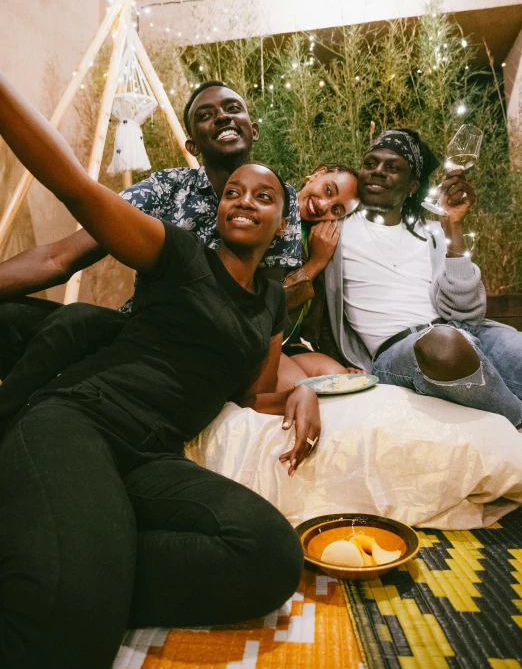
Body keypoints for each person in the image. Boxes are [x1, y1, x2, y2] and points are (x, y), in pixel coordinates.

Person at [0, 72, 318, 669]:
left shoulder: (272, 305)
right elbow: (75, 187)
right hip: (79, 421)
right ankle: (71, 571)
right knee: (64, 648)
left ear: (283, 226)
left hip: (152, 456)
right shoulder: (175, 253)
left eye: (264, 196)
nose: (244, 200)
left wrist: (300, 391)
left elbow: (251, 395)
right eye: (234, 194)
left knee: (271, 556)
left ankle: (73, 561)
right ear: (217, 204)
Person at [0, 80, 301, 379]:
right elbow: (59, 257)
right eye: (205, 115)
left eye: (233, 109)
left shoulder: (281, 202)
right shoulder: (166, 187)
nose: (222, 117)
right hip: (135, 331)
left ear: (254, 129)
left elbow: (264, 311)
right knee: (22, 319)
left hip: (206, 354)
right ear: (192, 145)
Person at [324, 128, 522, 427]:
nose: (377, 172)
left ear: (413, 185)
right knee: (442, 344)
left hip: (461, 331)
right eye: (370, 163)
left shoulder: (430, 232)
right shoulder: (334, 229)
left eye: (393, 168)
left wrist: (453, 224)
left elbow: (468, 311)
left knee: (515, 349)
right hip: (401, 351)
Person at [277, 164, 363, 389]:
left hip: (290, 344)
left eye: (336, 210)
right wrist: (316, 262)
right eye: (328, 190)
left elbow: (323, 316)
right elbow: (267, 305)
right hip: (260, 340)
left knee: (340, 379)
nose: (324, 205)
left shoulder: (321, 237)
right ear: (317, 174)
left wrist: (342, 362)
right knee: (300, 386)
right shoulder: (274, 213)